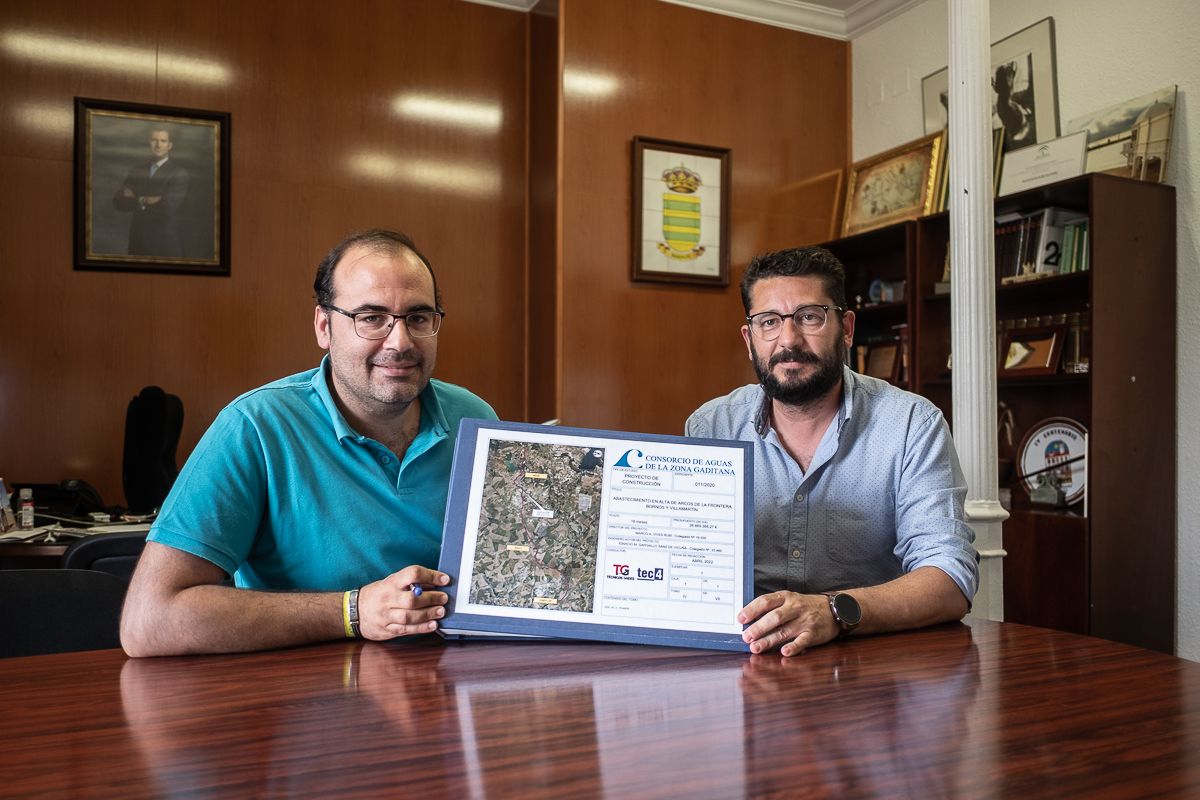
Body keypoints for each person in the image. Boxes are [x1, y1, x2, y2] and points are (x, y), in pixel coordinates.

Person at [121, 229, 497, 656]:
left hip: (454, 688)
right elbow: (149, 620)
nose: (400, 342)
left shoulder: (474, 417)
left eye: (418, 317)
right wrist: (353, 612)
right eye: (371, 318)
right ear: (324, 326)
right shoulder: (255, 426)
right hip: (304, 699)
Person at [685, 247, 977, 657]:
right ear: (750, 340)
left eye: (809, 317)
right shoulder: (711, 426)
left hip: (871, 662)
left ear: (846, 327)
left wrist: (834, 612)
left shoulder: (912, 423)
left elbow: (950, 580)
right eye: (769, 322)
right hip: (748, 655)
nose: (788, 340)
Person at [112, 127, 190, 257]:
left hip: (165, 244)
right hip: (138, 241)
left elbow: (167, 207)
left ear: (170, 145)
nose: (158, 145)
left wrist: (135, 198)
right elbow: (118, 202)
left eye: (163, 141)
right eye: (154, 140)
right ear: (149, 143)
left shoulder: (179, 173)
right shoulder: (137, 170)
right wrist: (145, 200)